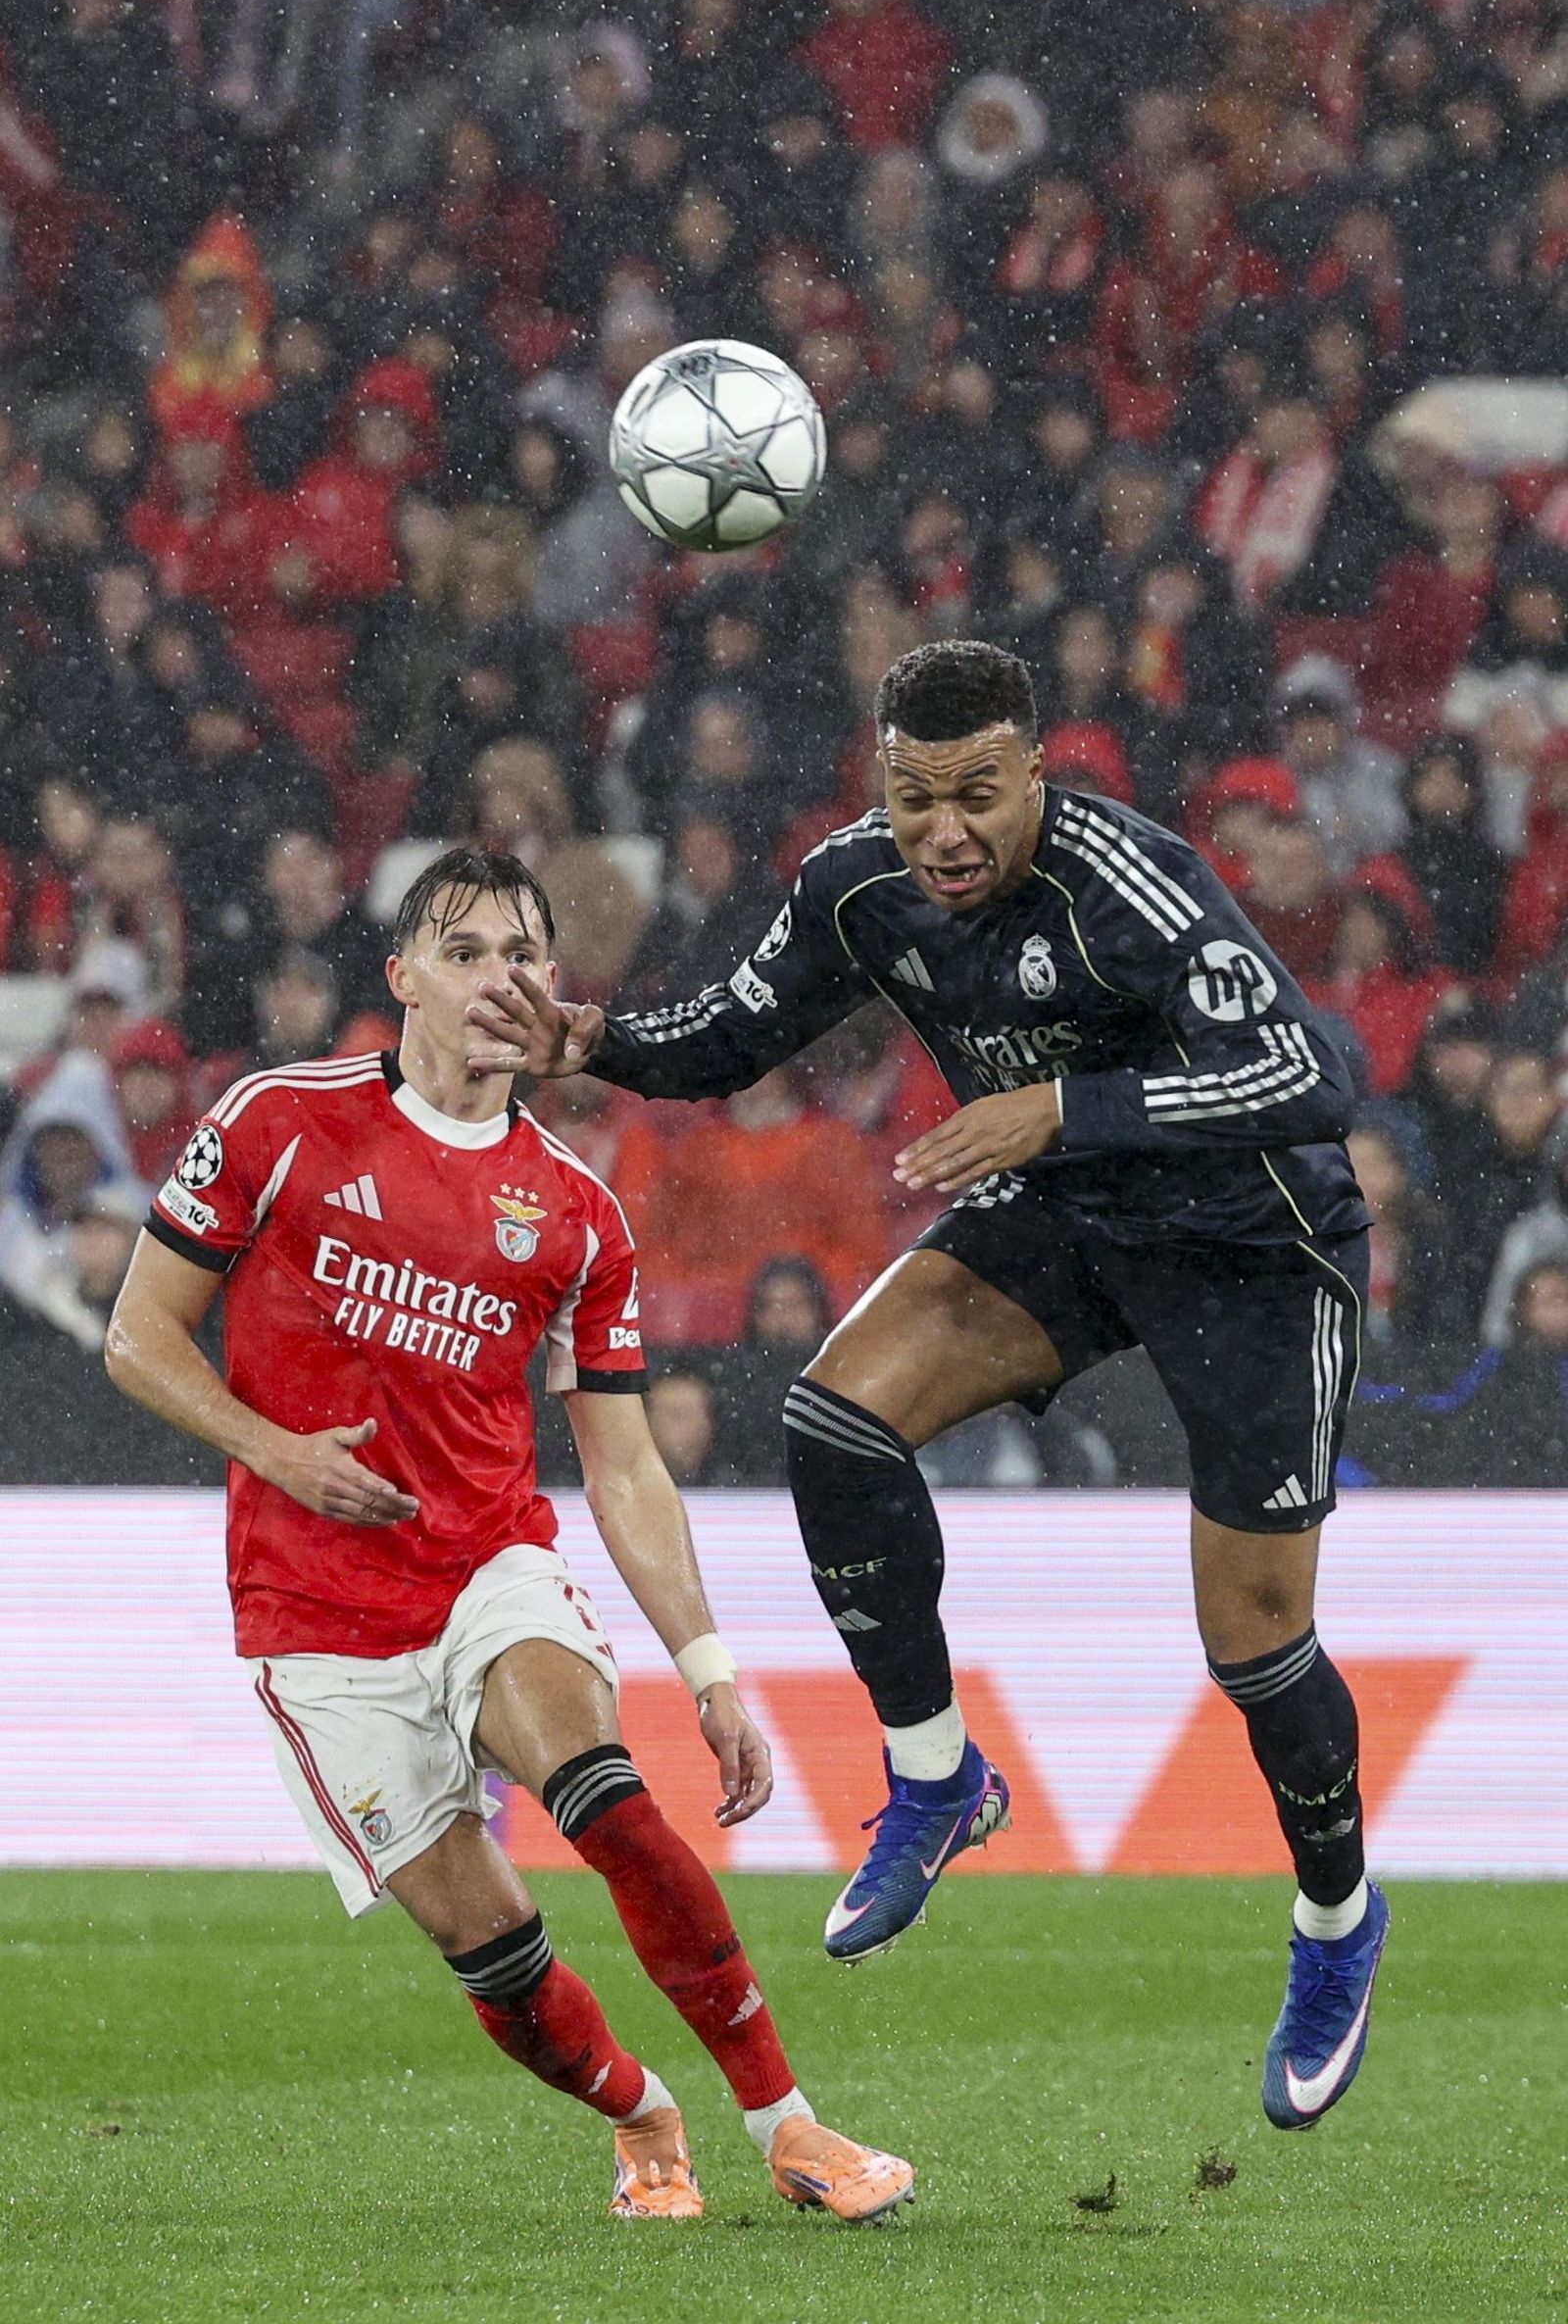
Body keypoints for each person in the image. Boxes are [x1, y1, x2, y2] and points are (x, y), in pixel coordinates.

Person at [469, 640, 1389, 2134]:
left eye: (977, 795)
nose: (945, 833)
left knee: (1256, 1639)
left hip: (1250, 1244)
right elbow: (734, 1034)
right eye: (914, 800)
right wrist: (602, 1042)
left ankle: (1340, 1922)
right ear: (880, 788)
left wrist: (1057, 1107)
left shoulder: (1130, 884)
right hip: (1071, 1213)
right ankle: (937, 1778)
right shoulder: (858, 884)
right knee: (832, 1420)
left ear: (1036, 775)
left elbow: (1307, 1077)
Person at [103, 846, 911, 2227]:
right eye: (465, 950)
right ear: (401, 975)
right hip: (313, 1616)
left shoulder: (580, 1215)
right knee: (497, 1958)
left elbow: (625, 1468)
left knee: (605, 1794)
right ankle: (642, 2118)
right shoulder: (275, 1123)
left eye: (525, 954)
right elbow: (137, 1336)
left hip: (487, 1566)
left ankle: (790, 2125)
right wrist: (275, 1449)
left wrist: (711, 1673)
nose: (499, 979)